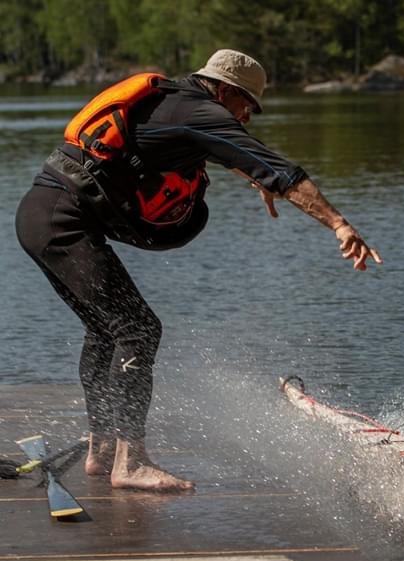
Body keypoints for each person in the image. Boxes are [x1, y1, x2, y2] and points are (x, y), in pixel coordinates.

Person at [15, 49, 382, 492]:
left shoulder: (175, 102)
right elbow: (276, 167)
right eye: (247, 106)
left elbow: (193, 149)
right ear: (226, 91)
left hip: (47, 214)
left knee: (105, 328)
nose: (246, 118)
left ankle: (102, 450)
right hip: (62, 221)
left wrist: (256, 179)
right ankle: (130, 463)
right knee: (138, 330)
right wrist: (339, 224)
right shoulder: (200, 111)